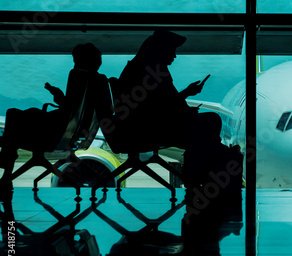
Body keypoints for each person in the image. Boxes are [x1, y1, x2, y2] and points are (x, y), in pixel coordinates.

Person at [96, 29, 225, 193]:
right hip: (149, 131)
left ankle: (198, 177)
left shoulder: (139, 68)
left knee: (205, 125)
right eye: (172, 51)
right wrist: (187, 103)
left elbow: (160, 105)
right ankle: (202, 178)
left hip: (141, 128)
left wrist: (186, 97)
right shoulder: (154, 71)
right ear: (161, 50)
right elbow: (166, 107)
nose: (175, 56)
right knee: (211, 121)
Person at [0, 43, 105, 200]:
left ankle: (6, 174)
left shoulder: (76, 75)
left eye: (76, 59)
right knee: (21, 118)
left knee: (13, 115)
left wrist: (58, 96)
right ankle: (6, 168)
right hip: (71, 136)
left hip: (55, 135)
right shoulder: (100, 80)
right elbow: (75, 111)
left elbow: (67, 110)